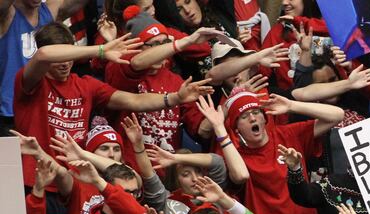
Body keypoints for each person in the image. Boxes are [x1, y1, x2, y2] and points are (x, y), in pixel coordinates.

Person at [13, 22, 213, 189]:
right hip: (35, 181)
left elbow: (133, 100)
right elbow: (43, 55)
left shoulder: (86, 84)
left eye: (70, 56)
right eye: (62, 57)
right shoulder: (30, 82)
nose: (66, 63)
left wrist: (175, 98)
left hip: (77, 182)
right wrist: (100, 50)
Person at [220, 89, 344, 214]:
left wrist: (291, 106)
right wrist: (219, 128)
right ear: (236, 128)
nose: (253, 119)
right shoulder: (236, 158)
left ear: (265, 118)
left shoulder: (288, 135)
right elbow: (240, 176)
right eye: (244, 116)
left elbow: (337, 115)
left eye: (256, 113)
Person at [105, 7, 221, 158]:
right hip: (131, 170)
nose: (162, 50)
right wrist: (184, 42)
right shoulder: (120, 68)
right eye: (153, 44)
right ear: (136, 47)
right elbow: (137, 62)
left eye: (165, 43)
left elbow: (201, 130)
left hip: (167, 172)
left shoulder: (176, 81)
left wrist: (226, 107)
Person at [0, 0, 89, 135]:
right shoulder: (7, 14)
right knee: (12, 156)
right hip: (10, 111)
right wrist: (101, 50)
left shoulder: (49, 11)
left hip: (45, 108)